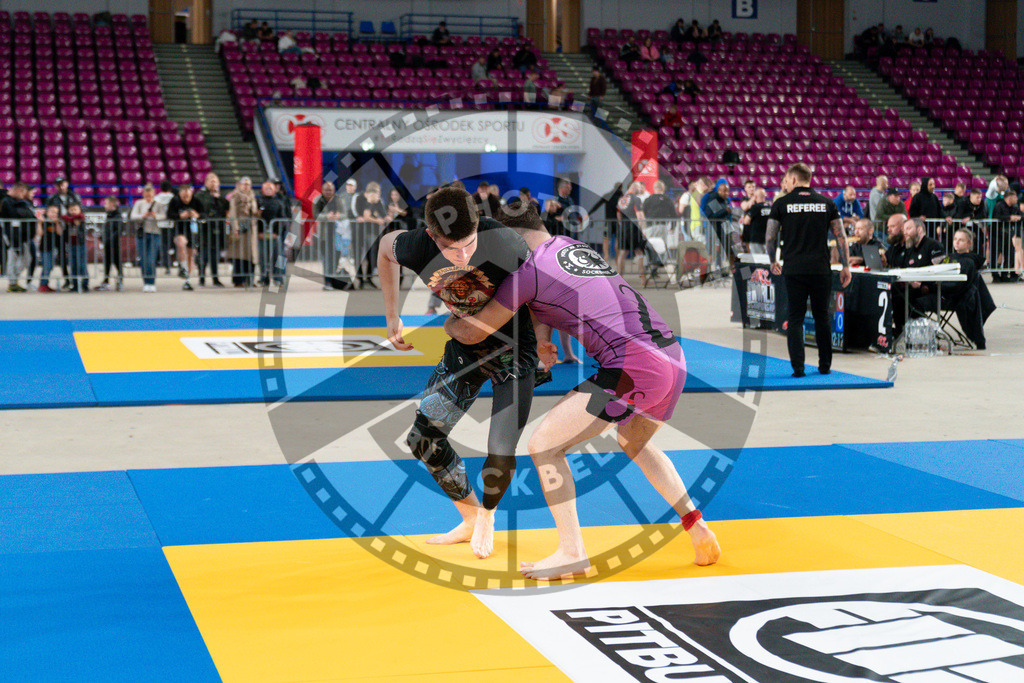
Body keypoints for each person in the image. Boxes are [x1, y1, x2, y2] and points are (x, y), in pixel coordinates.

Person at [444, 200, 720, 580]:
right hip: (672, 358)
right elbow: (554, 302)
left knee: (543, 446)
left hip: (632, 366)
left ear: (507, 238)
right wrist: (543, 341)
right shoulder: (571, 248)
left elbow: (475, 330)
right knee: (633, 441)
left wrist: (451, 317)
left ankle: (572, 552)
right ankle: (696, 524)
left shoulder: (527, 270)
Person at [377, 185, 544, 559]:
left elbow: (542, 290)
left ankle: (488, 515)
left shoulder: (504, 242)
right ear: (432, 236)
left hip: (514, 352)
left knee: (500, 450)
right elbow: (384, 252)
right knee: (423, 440)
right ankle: (469, 516)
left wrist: (547, 343)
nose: (464, 255)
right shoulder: (416, 245)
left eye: (469, 243)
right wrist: (392, 314)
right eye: (453, 250)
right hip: (465, 351)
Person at [765, 163, 851, 377]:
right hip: (820, 268)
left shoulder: (782, 203)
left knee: (795, 318)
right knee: (822, 316)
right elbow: (841, 237)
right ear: (809, 179)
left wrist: (772, 259)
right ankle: (825, 366)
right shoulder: (827, 202)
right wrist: (846, 265)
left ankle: (799, 368)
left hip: (794, 269)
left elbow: (770, 237)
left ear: (793, 180)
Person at [193, 172, 229, 288]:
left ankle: (215, 278)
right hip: (204, 229)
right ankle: (202, 278)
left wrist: (219, 198)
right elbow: (200, 208)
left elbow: (226, 208)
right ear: (206, 182)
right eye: (211, 181)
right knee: (203, 255)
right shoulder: (200, 195)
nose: (213, 183)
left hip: (218, 230)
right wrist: (211, 198)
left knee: (215, 255)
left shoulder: (221, 197)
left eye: (215, 181)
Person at [167, 184, 203, 291]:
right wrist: (180, 216)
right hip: (179, 229)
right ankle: (182, 266)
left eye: (188, 196)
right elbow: (169, 214)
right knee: (181, 243)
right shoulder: (175, 201)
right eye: (184, 196)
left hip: (192, 229)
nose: (186, 198)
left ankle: (187, 280)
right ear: (180, 194)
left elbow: (204, 214)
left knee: (191, 254)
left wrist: (197, 215)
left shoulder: (196, 201)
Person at [2, 182, 37, 292]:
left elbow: (29, 216)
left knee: (25, 260)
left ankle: (14, 280)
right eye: (22, 193)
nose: (23, 195)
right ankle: (12, 283)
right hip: (11, 236)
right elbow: (15, 214)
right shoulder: (6, 201)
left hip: (22, 236)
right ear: (17, 190)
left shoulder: (20, 202)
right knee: (13, 258)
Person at [354, 181, 387, 288]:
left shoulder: (379, 200)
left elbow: (383, 215)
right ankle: (360, 278)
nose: (377, 195)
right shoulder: (359, 198)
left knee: (372, 256)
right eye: (376, 192)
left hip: (374, 232)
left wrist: (375, 204)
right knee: (359, 255)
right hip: (360, 231)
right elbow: (361, 214)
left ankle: (368, 277)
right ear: (368, 192)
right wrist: (369, 203)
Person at [227, 176, 259, 287]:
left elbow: (254, 211)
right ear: (240, 185)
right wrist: (235, 227)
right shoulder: (235, 195)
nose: (246, 186)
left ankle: (250, 279)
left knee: (251, 256)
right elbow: (233, 212)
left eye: (248, 184)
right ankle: (238, 280)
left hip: (251, 229)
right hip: (240, 228)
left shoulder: (252, 196)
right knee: (239, 256)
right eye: (244, 184)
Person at [256, 179, 288, 286]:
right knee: (263, 258)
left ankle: (278, 278)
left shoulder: (279, 202)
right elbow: (255, 219)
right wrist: (258, 232)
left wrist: (277, 233)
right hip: (262, 235)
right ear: (262, 190)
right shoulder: (258, 201)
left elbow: (282, 219)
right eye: (266, 188)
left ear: (274, 190)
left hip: (275, 235)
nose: (269, 190)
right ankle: (264, 278)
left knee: (278, 257)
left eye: (270, 188)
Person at [130, 183, 162, 292]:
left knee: (151, 259)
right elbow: (133, 216)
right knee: (143, 259)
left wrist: (155, 216)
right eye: (146, 195)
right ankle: (146, 282)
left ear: (154, 194)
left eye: (150, 195)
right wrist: (142, 216)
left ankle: (152, 282)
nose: (148, 198)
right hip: (141, 234)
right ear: (143, 194)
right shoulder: (139, 203)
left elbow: (164, 216)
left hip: (155, 233)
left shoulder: (158, 204)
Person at [990, 189, 1021, 282]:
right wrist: (1009, 218)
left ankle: (1004, 274)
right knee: (995, 255)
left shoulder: (1015, 206)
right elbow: (997, 217)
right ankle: (995, 275)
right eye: (1015, 197)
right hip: (996, 234)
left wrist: (1018, 217)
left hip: (1007, 235)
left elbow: (1021, 215)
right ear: (1009, 198)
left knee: (1010, 254)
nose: (1017, 199)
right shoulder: (999, 206)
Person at [96, 196, 124, 291]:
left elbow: (118, 230)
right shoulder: (109, 214)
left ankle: (120, 281)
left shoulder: (117, 215)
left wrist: (109, 239)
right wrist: (103, 237)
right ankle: (106, 281)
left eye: (106, 203)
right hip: (108, 243)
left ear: (112, 204)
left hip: (114, 243)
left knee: (117, 262)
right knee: (107, 263)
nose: (104, 205)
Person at [35, 205, 62, 292]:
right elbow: (39, 234)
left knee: (50, 266)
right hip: (44, 248)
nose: (54, 214)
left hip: (53, 248)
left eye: (56, 212)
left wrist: (57, 223)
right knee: (47, 266)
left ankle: (45, 283)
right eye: (52, 212)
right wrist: (39, 223)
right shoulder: (44, 222)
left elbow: (59, 232)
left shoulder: (57, 222)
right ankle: (43, 284)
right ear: (47, 213)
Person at [740, 187, 770, 252]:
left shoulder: (755, 207)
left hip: (756, 239)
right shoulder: (769, 207)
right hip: (768, 238)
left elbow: (746, 221)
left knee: (757, 260)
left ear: (755, 196)